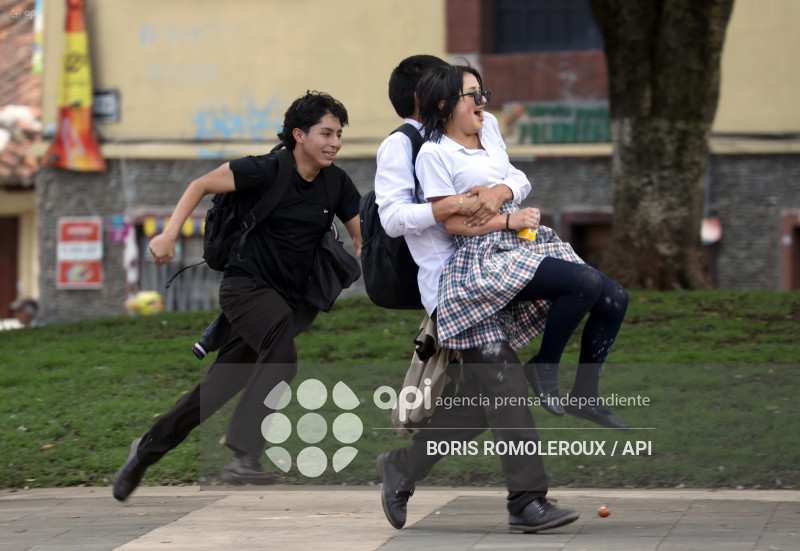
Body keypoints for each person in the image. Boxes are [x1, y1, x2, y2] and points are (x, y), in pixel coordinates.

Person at [112, 91, 362, 502]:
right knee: (282, 358)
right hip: (244, 287)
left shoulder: (337, 183)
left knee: (215, 390)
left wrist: (370, 245)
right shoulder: (266, 169)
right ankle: (244, 454)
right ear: (299, 134)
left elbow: (358, 234)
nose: (334, 142)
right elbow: (200, 183)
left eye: (339, 134)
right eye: (326, 133)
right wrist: (169, 233)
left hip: (285, 300)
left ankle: (145, 451)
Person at [375, 56, 579, 534]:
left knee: (488, 397)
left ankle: (402, 466)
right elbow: (392, 219)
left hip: (497, 272)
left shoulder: (475, 130)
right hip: (454, 287)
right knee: (504, 379)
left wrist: (501, 189)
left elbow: (516, 176)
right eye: (445, 85)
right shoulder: (402, 145)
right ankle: (526, 501)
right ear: (423, 96)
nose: (467, 96)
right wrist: (451, 206)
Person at [414, 63, 630, 427]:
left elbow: (516, 176)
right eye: (472, 95)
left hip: (521, 240)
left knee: (615, 298)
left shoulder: (491, 130)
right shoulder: (434, 154)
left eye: (484, 92)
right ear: (443, 105)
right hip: (480, 254)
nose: (482, 100)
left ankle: (585, 395)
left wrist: (501, 191)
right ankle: (544, 367)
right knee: (584, 283)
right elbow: (450, 221)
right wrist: (507, 219)